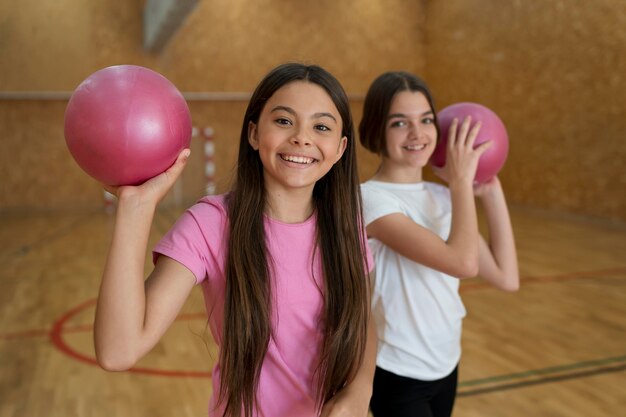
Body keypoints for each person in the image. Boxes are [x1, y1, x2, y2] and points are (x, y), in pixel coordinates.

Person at [94, 63, 376, 417]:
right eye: (284, 121)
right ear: (254, 134)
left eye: (321, 126)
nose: (302, 138)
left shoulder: (347, 224)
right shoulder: (212, 223)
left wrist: (360, 391)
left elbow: (363, 319)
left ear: (340, 148)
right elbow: (117, 351)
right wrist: (136, 208)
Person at [358, 71, 519, 417]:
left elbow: (507, 277)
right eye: (400, 123)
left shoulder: (442, 197)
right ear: (376, 131)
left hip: (446, 363)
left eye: (426, 120)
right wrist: (461, 183)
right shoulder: (370, 200)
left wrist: (490, 189)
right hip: (397, 371)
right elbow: (463, 263)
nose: (417, 133)